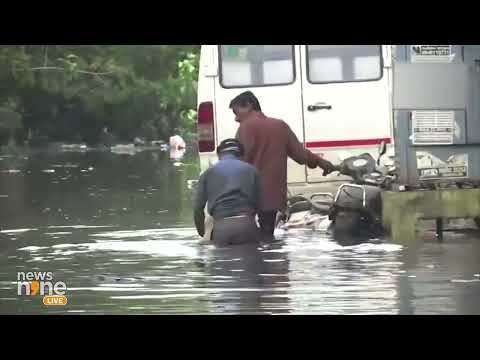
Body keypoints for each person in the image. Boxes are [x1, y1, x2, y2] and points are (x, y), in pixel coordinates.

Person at [231, 91, 336, 238]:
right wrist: (320, 162)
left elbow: (236, 163)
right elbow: (300, 155)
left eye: (236, 112)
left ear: (249, 105)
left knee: (250, 240)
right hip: (272, 196)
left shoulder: (245, 128)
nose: (236, 118)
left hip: (249, 195)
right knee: (268, 234)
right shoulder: (280, 126)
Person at [193, 139, 263, 246]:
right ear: (241, 155)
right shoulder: (252, 170)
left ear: (219, 154)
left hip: (221, 228)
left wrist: (203, 233)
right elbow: (261, 205)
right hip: (247, 225)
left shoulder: (207, 173)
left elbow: (198, 208)